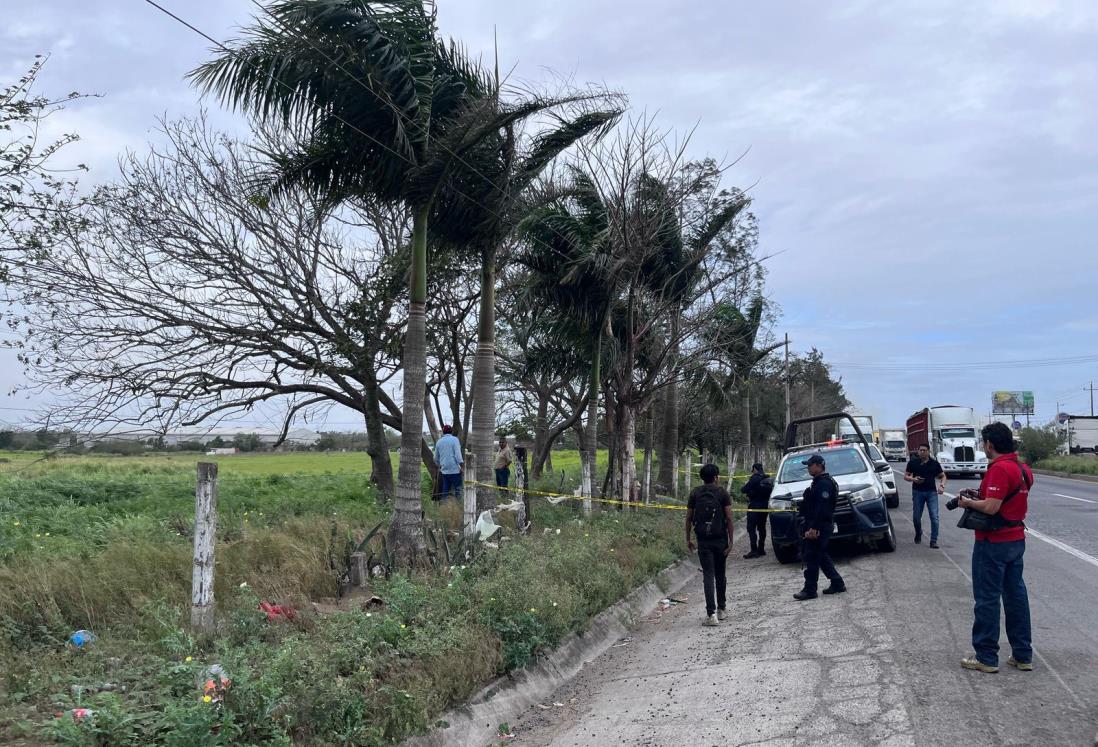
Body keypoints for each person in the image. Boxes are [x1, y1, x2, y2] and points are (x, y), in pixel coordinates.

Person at [956, 422, 1033, 674]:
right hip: (1015, 540)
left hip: (993, 543)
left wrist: (967, 502)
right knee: (1016, 596)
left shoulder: (999, 469)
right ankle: (1022, 655)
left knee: (987, 599)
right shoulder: (1023, 469)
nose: (983, 448)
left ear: (989, 444)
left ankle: (986, 656)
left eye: (984, 443)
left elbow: (991, 507)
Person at [685, 463, 736, 627]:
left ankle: (711, 614)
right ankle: (722, 609)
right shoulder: (722, 493)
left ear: (702, 477)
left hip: (703, 540)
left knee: (708, 575)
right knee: (721, 574)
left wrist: (688, 538)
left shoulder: (695, 493)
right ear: (716, 477)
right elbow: (729, 518)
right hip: (720, 540)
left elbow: (688, 518)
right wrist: (731, 541)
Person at [793, 454, 846, 600]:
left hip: (820, 525)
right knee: (820, 555)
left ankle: (810, 589)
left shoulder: (824, 484)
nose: (808, 468)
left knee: (811, 556)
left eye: (810, 465)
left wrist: (814, 528)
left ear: (818, 465)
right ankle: (837, 582)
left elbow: (822, 509)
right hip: (818, 524)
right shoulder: (819, 482)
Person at [904, 443, 946, 547]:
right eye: (920, 450)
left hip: (931, 492)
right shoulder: (913, 463)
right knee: (916, 517)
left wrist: (942, 486)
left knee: (934, 517)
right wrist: (913, 479)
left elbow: (943, 476)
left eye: (924, 450)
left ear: (928, 451)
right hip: (918, 492)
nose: (922, 452)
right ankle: (918, 533)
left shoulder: (934, 464)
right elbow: (906, 476)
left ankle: (933, 540)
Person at [740, 462, 772, 558]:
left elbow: (744, 489)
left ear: (754, 469)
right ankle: (761, 549)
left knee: (751, 527)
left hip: (754, 505)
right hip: (765, 505)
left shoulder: (754, 478)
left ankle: (754, 550)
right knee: (762, 527)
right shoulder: (767, 478)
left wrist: (748, 489)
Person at [433, 424, 464, 501]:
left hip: (445, 470)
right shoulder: (455, 440)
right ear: (451, 431)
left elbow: (435, 458)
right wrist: (462, 466)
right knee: (458, 490)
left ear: (443, 432)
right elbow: (458, 455)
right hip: (455, 470)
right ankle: (459, 504)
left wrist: (439, 465)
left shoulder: (439, 442)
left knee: (445, 490)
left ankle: (444, 507)